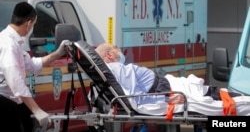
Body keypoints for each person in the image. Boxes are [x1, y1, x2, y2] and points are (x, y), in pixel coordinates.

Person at [94, 43, 250, 116]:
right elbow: (136, 98)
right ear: (109, 55)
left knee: (212, 93)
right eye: (117, 51)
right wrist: (166, 98)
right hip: (165, 89)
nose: (121, 54)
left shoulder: (111, 72)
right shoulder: (117, 68)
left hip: (166, 85)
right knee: (213, 98)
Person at [0, 2, 69, 132]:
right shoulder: (8, 44)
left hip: (10, 101)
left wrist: (58, 53)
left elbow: (32, 64)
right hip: (4, 102)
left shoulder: (14, 42)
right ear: (28, 23)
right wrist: (36, 110)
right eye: (34, 24)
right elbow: (16, 81)